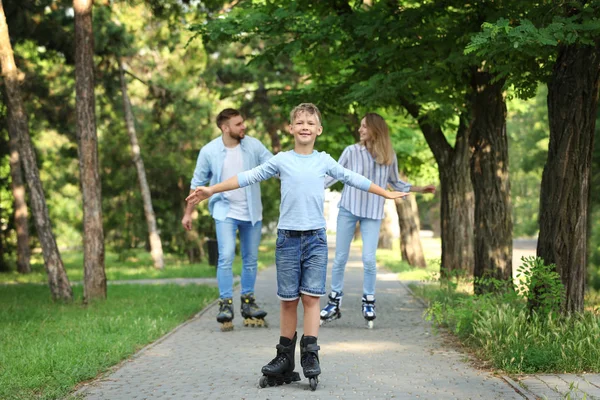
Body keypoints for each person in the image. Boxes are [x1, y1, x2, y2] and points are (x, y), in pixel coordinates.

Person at [186, 103, 409, 391]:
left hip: (315, 238)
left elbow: (355, 179)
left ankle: (310, 355)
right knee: (288, 300)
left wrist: (386, 193)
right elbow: (246, 177)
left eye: (310, 122)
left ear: (319, 130)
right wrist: (211, 189)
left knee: (311, 298)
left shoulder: (324, 160)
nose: (304, 126)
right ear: (291, 129)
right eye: (299, 122)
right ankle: (284, 359)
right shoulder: (281, 160)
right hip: (287, 239)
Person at [320, 112, 436, 329]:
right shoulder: (351, 152)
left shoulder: (389, 155)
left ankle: (368, 302)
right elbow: (332, 176)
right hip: (349, 208)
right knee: (340, 258)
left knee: (369, 259)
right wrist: (306, 183)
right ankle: (334, 301)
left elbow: (396, 183)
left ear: (375, 129)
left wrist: (421, 189)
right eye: (360, 126)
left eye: (364, 126)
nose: (360, 130)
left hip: (372, 212)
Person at [181, 108, 273, 331]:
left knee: (250, 259)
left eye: (243, 122)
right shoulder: (209, 151)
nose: (244, 127)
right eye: (238, 124)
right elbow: (197, 182)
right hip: (225, 211)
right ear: (225, 127)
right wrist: (188, 212)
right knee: (226, 256)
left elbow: (274, 164)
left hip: (252, 212)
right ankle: (225, 304)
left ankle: (248, 302)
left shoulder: (253, 145)